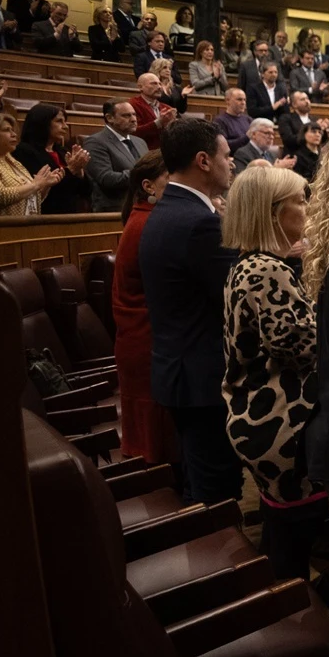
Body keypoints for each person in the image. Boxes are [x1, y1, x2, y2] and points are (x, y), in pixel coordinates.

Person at [220, 164, 328, 581]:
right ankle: (293, 626)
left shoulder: (252, 264)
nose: (308, 207)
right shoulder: (269, 270)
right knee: (291, 543)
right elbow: (302, 346)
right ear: (272, 214)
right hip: (281, 426)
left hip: (262, 421)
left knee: (284, 534)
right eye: (300, 201)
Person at [137, 117, 241, 504]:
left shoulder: (168, 210)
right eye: (226, 156)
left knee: (200, 483)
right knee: (216, 493)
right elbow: (234, 294)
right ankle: (219, 563)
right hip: (201, 378)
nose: (231, 163)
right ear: (203, 160)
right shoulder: (198, 222)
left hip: (179, 371)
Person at [112, 150, 179, 469]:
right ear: (149, 186)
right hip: (146, 344)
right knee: (154, 459)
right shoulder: (147, 225)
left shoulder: (143, 218)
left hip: (142, 342)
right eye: (172, 181)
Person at [0, 112, 62, 217]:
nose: (14, 134)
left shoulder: (12, 161)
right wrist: (35, 185)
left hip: (20, 229)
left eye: (12, 130)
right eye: (6, 130)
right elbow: (0, 197)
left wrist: (45, 185)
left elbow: (29, 200)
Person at [15, 103, 92, 215]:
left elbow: (86, 191)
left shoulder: (62, 151)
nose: (65, 126)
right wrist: (71, 169)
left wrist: (80, 173)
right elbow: (48, 191)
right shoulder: (24, 151)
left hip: (70, 215)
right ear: (42, 123)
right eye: (59, 121)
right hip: (45, 216)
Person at [83, 98, 151, 214]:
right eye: (126, 116)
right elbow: (106, 178)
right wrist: (142, 172)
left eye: (134, 115)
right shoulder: (95, 142)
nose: (134, 119)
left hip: (144, 205)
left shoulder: (140, 142)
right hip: (115, 209)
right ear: (110, 118)